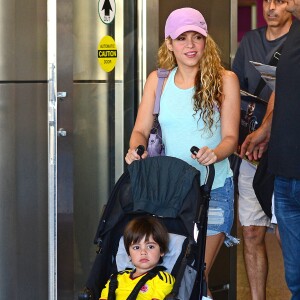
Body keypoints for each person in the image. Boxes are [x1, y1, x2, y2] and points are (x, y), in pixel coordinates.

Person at [125, 7, 240, 298]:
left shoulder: (225, 80)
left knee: (195, 274)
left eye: (197, 37)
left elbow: (230, 138)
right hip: (168, 193)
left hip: (213, 189)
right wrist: (135, 150)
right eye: (182, 38)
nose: (190, 45)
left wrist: (215, 153)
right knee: (173, 274)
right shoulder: (158, 80)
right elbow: (140, 129)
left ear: (206, 41)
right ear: (169, 43)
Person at [232, 1, 292, 298]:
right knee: (252, 230)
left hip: (285, 151)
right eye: (267, 0)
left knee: (287, 233)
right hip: (251, 149)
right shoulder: (250, 41)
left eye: (280, 1)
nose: (271, 7)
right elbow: (234, 88)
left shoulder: (296, 41)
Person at [99, 216, 175, 300]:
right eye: (136, 247)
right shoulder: (117, 277)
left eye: (150, 246)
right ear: (129, 254)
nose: (143, 252)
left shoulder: (162, 278)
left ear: (161, 251)